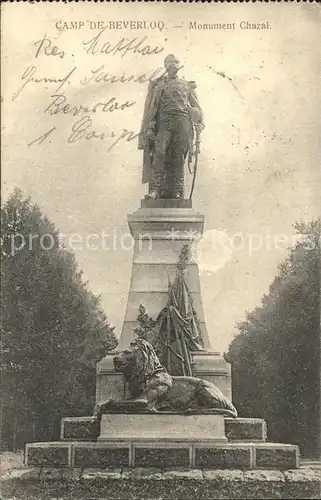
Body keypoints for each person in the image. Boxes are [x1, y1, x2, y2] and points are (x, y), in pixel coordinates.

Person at [138, 55, 204, 200]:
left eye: (175, 62)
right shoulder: (159, 85)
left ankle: (177, 192)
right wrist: (149, 126)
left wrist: (199, 122)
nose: (173, 64)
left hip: (182, 122)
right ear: (165, 66)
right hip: (164, 122)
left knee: (179, 157)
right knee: (159, 154)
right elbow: (152, 108)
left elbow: (196, 107)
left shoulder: (187, 85)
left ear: (179, 65)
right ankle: (154, 190)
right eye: (169, 62)